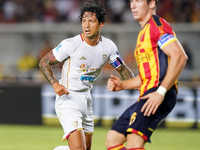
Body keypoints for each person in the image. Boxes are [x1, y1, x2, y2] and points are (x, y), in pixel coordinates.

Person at [39, 1, 134, 150]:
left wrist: (140, 87)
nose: (86, 25)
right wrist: (55, 84)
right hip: (68, 99)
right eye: (84, 21)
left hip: (87, 101)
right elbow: (44, 62)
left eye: (91, 21)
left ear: (101, 24)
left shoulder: (108, 47)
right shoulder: (70, 44)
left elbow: (123, 70)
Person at [105, 0, 188, 150]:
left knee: (134, 141)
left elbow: (180, 56)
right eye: (131, 1)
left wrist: (160, 92)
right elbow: (146, 77)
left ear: (151, 4)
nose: (132, 5)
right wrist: (123, 85)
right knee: (113, 139)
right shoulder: (143, 33)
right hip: (148, 92)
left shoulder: (158, 25)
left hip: (158, 92)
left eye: (138, 1)